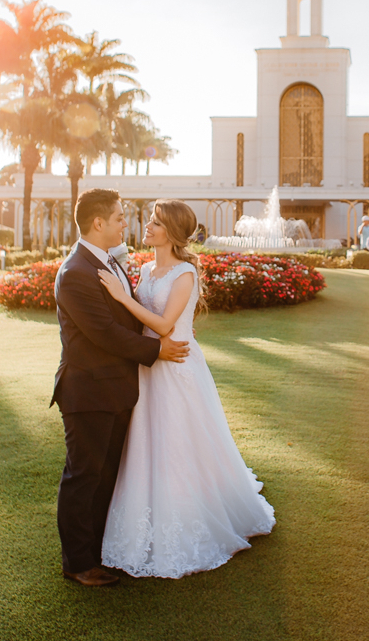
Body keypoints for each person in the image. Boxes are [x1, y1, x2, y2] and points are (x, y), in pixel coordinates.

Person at [98, 198, 275, 578]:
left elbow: (164, 325)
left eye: (157, 222)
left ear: (174, 232)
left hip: (176, 366)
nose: (148, 226)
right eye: (150, 220)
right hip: (149, 364)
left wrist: (121, 297)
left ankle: (190, 514)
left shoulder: (185, 273)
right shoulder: (146, 269)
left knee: (178, 442)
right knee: (147, 441)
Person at [52, 189, 190, 588]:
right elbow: (105, 333)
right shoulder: (76, 272)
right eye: (118, 218)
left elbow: (127, 318)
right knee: (84, 477)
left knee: (105, 476)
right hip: (89, 392)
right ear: (99, 223)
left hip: (115, 389)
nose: (125, 223)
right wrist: (158, 349)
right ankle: (78, 563)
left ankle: (97, 552)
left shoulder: (107, 261)